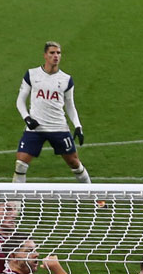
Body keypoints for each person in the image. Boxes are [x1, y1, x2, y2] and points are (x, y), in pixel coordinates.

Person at [12, 41, 90, 183]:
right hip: (35, 129)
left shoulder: (66, 79)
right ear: (45, 55)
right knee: (21, 164)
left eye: (58, 53)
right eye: (52, 53)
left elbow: (70, 105)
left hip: (58, 127)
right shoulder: (32, 74)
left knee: (75, 163)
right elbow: (20, 100)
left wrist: (78, 126)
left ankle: (96, 199)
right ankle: (15, 204)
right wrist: (27, 118)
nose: (56, 56)